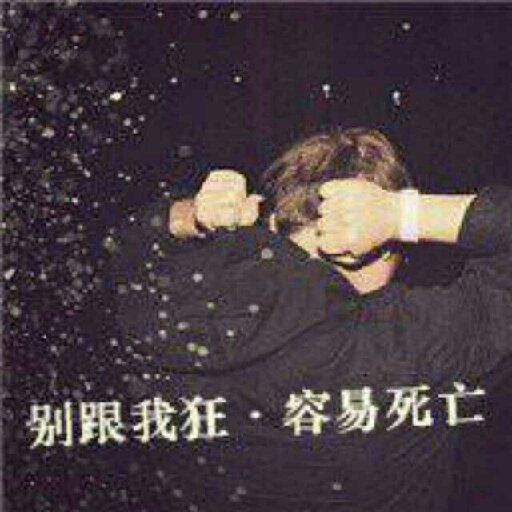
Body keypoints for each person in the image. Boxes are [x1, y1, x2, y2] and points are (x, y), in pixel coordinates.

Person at [107, 127, 512, 512]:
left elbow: (119, 245)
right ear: (387, 246)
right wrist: (403, 213)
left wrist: (190, 216)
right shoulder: (411, 346)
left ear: (272, 222)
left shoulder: (164, 311)